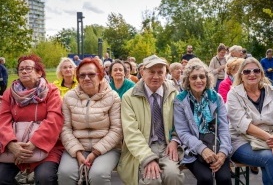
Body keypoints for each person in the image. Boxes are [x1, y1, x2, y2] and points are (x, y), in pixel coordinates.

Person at [117, 55, 184, 185]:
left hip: (167, 146)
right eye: (151, 72)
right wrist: (147, 157)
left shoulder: (174, 94)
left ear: (166, 74)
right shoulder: (129, 97)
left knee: (173, 176)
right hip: (142, 147)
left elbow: (181, 124)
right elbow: (131, 133)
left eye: (160, 72)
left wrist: (175, 140)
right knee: (152, 179)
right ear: (142, 72)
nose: (156, 76)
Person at [227, 57, 273, 185]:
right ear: (241, 75)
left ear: (261, 73)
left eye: (256, 71)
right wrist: (271, 139)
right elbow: (243, 124)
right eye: (247, 72)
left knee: (272, 159)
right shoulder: (234, 94)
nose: (252, 74)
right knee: (272, 158)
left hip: (272, 139)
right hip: (242, 140)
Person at [0, 54, 64, 184]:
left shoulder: (51, 91)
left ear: (39, 72)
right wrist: (11, 145)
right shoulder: (10, 93)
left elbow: (54, 119)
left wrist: (33, 143)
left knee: (45, 177)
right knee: (2, 177)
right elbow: (2, 120)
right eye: (21, 69)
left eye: (28, 68)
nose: (23, 71)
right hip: (15, 148)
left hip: (46, 147)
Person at [58, 58, 123, 184]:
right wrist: (77, 152)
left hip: (106, 148)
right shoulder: (69, 97)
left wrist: (95, 152)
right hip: (76, 147)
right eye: (82, 75)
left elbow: (117, 129)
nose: (86, 78)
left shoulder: (112, 97)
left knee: (98, 175)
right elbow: (65, 128)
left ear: (100, 76)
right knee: (65, 173)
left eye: (91, 74)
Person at [174, 58, 232, 185]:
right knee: (206, 178)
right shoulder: (180, 100)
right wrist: (202, 149)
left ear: (207, 79)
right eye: (194, 77)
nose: (199, 80)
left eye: (202, 76)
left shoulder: (216, 97)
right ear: (187, 81)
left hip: (216, 145)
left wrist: (223, 152)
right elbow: (183, 132)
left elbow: (223, 128)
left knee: (225, 179)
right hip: (193, 148)